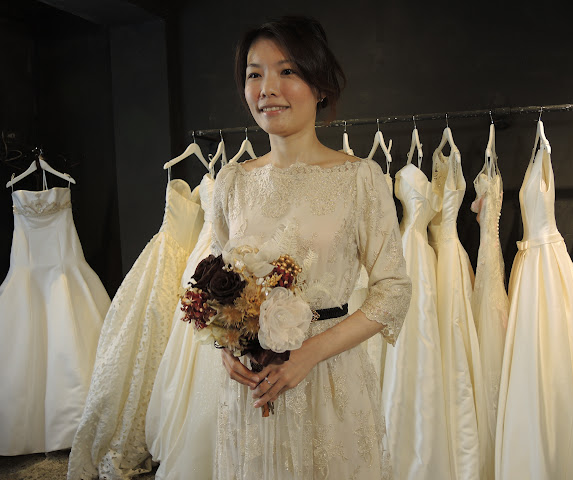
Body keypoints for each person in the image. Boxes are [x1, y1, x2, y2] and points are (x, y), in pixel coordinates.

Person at [150, 16, 411, 479]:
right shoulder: (232, 183)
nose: (267, 88)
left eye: (287, 71)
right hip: (253, 386)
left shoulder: (360, 179)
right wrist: (226, 347)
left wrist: (309, 353)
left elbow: (393, 291)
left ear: (320, 85)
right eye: (255, 74)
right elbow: (218, 282)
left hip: (329, 380)